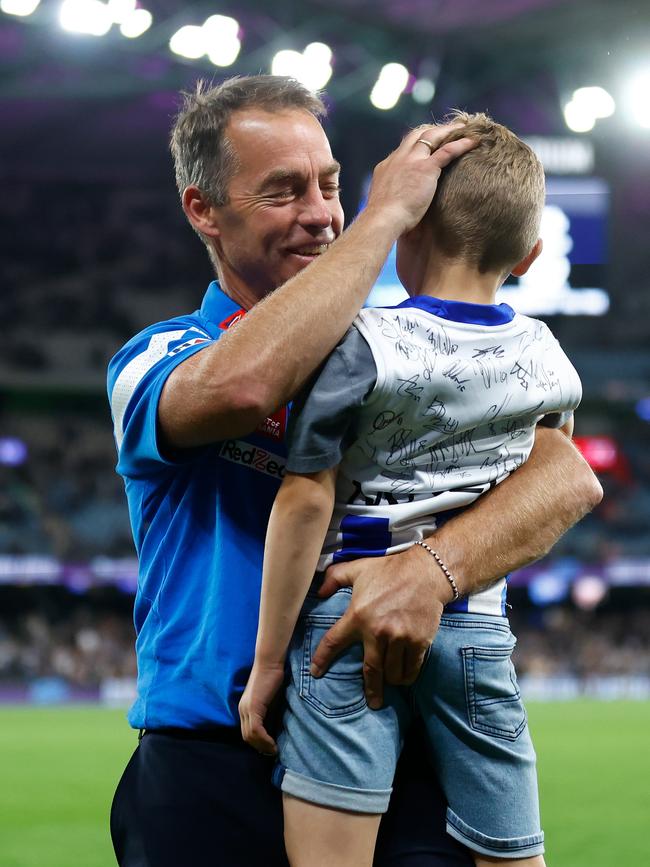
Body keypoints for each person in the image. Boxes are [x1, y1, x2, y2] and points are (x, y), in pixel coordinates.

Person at [107, 76, 602, 867]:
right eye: (283, 191)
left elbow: (566, 474)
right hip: (214, 756)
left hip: (388, 729)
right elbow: (246, 386)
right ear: (204, 209)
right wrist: (384, 217)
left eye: (331, 185)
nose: (320, 211)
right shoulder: (158, 359)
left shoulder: (396, 355)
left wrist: (430, 571)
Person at [239, 110, 582, 867]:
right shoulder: (551, 357)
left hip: (345, 606)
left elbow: (305, 498)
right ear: (528, 256)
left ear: (403, 233)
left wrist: (265, 663)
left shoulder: (358, 341)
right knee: (513, 852)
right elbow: (548, 470)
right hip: (478, 623)